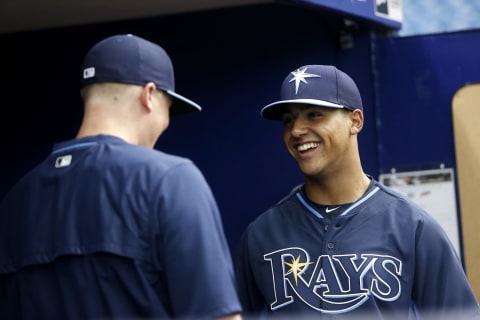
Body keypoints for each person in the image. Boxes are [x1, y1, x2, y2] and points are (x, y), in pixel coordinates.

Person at [0, 34, 242, 320]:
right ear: (149, 95)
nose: (165, 124)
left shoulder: (15, 199)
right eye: (168, 109)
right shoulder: (169, 180)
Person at [233, 64, 479, 319]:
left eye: (314, 114)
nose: (296, 130)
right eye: (288, 120)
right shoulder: (260, 235)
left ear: (355, 120)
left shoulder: (412, 226)